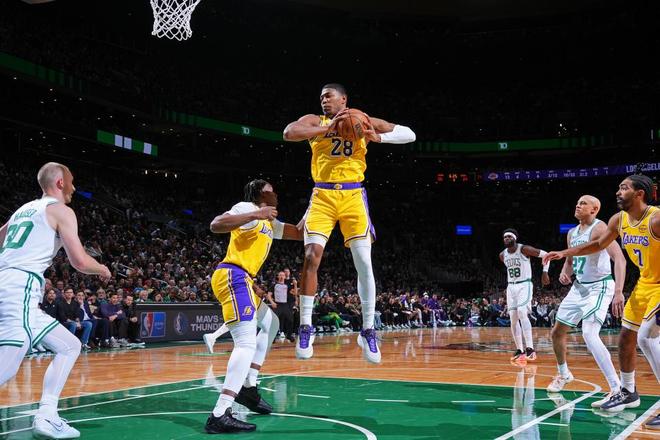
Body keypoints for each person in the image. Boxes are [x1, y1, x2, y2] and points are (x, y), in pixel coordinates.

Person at [283, 83, 416, 363]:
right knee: (311, 256)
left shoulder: (362, 119)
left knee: (364, 262)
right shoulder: (315, 121)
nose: (324, 100)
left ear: (343, 99)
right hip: (322, 195)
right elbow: (289, 133)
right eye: (321, 97)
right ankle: (305, 326)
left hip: (353, 195)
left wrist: (378, 138)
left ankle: (367, 329)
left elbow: (409, 134)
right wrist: (328, 128)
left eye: (328, 96)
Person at [0, 162, 110, 438]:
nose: (74, 187)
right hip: (20, 286)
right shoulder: (61, 210)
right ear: (60, 182)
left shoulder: (22, 210)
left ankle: (47, 415)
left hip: (13, 285)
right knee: (10, 361)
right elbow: (79, 261)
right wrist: (102, 269)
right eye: (71, 181)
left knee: (69, 345)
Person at [544, 175, 659, 423]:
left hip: (654, 286)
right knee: (626, 337)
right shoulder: (618, 220)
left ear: (639, 194)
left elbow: (618, 258)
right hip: (644, 284)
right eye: (618, 188)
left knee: (647, 338)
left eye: (624, 188)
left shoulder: (656, 219)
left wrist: (617, 291)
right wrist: (564, 254)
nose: (618, 192)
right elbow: (597, 245)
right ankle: (627, 392)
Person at [204, 179, 302, 434]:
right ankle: (220, 413)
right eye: (271, 190)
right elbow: (216, 224)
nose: (276, 194)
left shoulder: (270, 222)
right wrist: (257, 213)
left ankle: (248, 386)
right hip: (232, 275)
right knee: (245, 343)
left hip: (245, 280)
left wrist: (318, 207)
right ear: (260, 194)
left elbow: (299, 233)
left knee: (272, 323)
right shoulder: (246, 208)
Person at [546, 195, 626, 410]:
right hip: (579, 287)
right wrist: (565, 272)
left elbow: (619, 258)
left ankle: (617, 388)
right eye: (577, 202)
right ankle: (564, 374)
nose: (578, 205)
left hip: (599, 286)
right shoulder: (572, 233)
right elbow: (571, 260)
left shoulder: (600, 228)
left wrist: (619, 291)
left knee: (589, 334)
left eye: (583, 203)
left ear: (594, 209)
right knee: (557, 332)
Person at [499, 228, 551, 363]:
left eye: (509, 236)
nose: (507, 239)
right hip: (511, 286)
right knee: (513, 317)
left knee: (522, 312)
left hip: (524, 284)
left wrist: (545, 272)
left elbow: (546, 254)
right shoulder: (502, 255)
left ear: (515, 238)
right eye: (505, 237)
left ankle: (530, 349)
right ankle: (520, 350)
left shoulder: (524, 249)